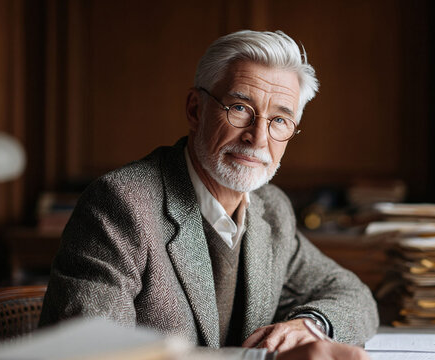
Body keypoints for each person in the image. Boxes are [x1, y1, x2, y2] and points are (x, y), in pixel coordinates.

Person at [39, 30, 378, 358]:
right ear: (195, 109)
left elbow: (354, 295)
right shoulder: (121, 203)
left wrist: (311, 325)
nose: (258, 138)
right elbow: (96, 354)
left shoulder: (271, 208)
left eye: (279, 120)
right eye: (240, 108)